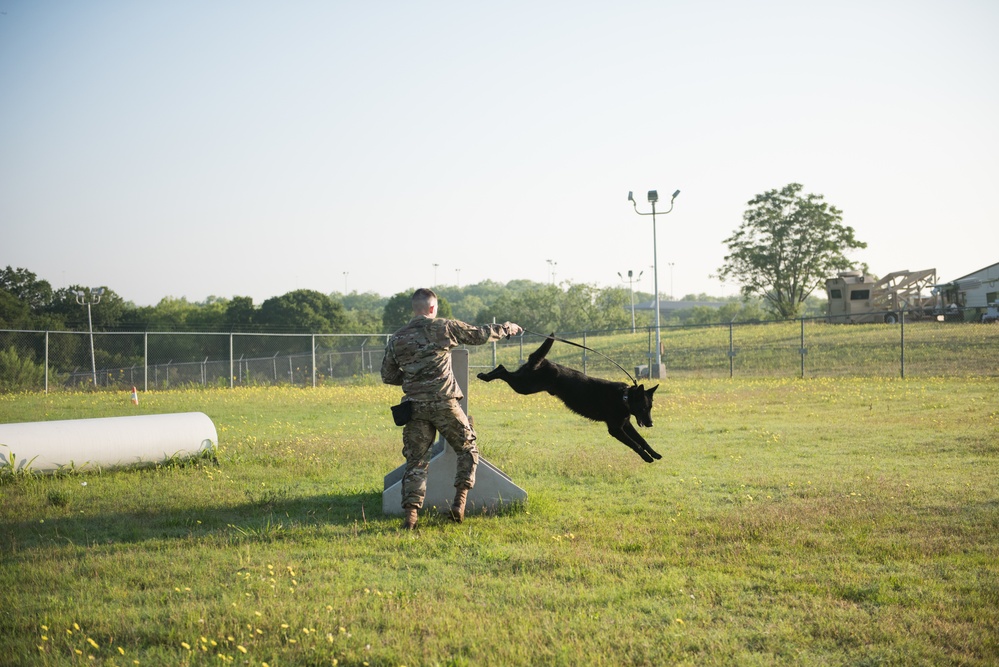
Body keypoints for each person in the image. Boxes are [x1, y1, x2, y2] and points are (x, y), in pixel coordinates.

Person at [381, 288, 523, 530]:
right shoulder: (443, 327)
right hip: (446, 404)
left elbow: (388, 375)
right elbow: (479, 335)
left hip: (415, 408)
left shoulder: (397, 338)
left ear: (414, 309)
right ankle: (459, 503)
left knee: (416, 463)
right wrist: (507, 328)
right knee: (468, 448)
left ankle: (411, 518)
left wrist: (413, 380)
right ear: (433, 308)